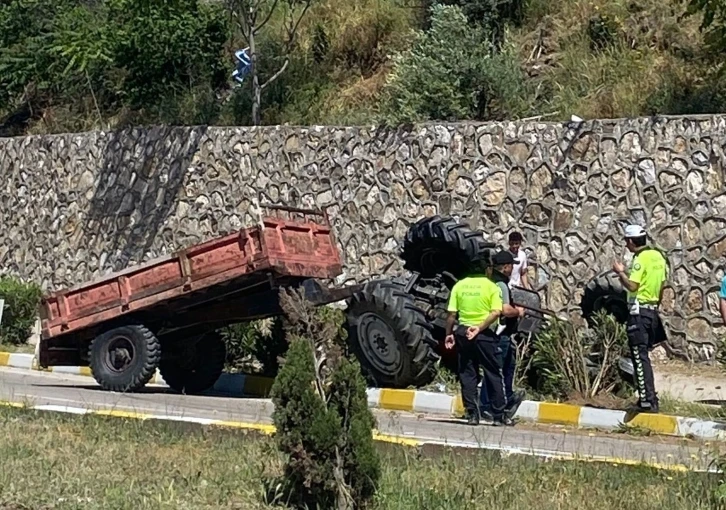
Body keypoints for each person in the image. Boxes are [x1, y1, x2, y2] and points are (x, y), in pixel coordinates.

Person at [444, 258, 507, 426]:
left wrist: (448, 334)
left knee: (467, 373)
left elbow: (451, 315)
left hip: (463, 333)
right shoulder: (492, 286)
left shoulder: (459, 286)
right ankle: (498, 415)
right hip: (484, 334)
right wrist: (479, 328)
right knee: (492, 372)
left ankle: (472, 414)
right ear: (487, 270)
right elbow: (495, 312)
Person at [612, 225, 668, 413]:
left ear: (630, 241)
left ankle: (646, 401)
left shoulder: (640, 258)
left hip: (639, 312)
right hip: (651, 311)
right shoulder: (658, 256)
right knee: (643, 356)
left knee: (639, 356)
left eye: (626, 242)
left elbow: (633, 285)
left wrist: (620, 272)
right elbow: (661, 287)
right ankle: (650, 399)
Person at [479, 250, 526, 421]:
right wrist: (518, 312)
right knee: (495, 371)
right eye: (512, 265)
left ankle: (505, 399)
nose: (513, 268)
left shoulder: (490, 281)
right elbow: (505, 309)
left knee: (506, 368)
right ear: (506, 267)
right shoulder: (501, 285)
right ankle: (486, 405)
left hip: (498, 334)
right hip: (500, 334)